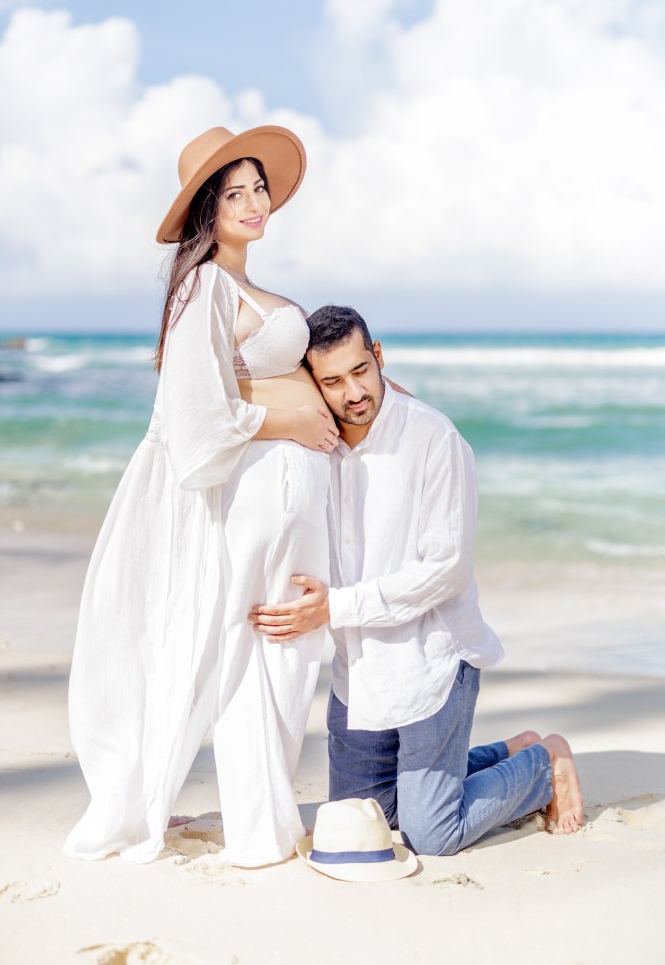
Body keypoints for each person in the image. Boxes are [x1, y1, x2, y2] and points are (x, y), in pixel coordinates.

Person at [64, 125, 341, 867]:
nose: (253, 204)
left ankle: (265, 819)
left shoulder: (244, 287)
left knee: (281, 651)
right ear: (204, 210)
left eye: (258, 189)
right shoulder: (203, 285)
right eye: (233, 193)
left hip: (287, 495)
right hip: (259, 494)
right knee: (259, 649)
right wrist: (287, 417)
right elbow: (192, 418)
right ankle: (260, 828)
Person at [250, 305, 584, 855]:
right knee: (365, 820)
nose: (353, 392)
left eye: (361, 370)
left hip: (433, 660)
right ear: (313, 385)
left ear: (378, 356)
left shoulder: (433, 438)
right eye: (332, 381)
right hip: (358, 671)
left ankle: (542, 764)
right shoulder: (315, 446)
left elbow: (445, 570)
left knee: (431, 834)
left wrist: (334, 607)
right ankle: (505, 752)